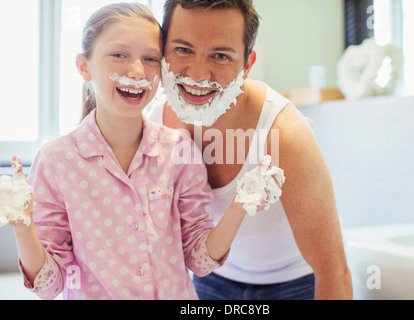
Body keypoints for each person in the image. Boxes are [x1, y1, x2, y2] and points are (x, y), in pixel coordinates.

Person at [6, 3, 267, 300]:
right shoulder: (56, 162)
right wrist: (23, 227)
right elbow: (48, 286)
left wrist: (239, 207)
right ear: (84, 66)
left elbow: (199, 261)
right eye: (119, 55)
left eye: (151, 58)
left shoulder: (179, 150)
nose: (137, 71)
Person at [148, 0, 353, 299]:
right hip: (212, 275)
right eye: (183, 49)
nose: (198, 74)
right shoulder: (154, 124)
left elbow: (334, 273)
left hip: (295, 283)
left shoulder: (283, 135)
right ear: (162, 50)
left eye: (220, 55)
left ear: (247, 65)